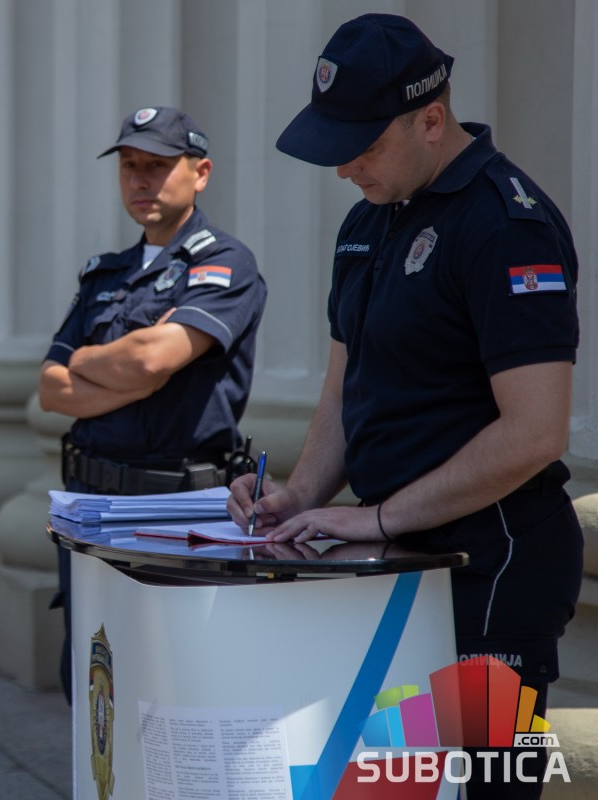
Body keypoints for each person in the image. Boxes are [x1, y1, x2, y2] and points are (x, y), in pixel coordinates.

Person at [229, 14, 583, 797]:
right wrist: (299, 495)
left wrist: (380, 517)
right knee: (391, 789)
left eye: (362, 145)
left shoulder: (505, 224)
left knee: (481, 789)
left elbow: (535, 432)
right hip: (399, 565)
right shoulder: (368, 220)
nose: (343, 168)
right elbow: (345, 389)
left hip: (490, 567)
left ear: (430, 119)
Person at [40, 106, 267, 701]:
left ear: (201, 173)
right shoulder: (103, 275)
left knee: (173, 684)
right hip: (92, 504)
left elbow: (150, 359)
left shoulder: (224, 263)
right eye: (130, 166)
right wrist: (130, 371)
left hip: (177, 508)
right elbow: (50, 388)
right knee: (92, 685)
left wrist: (94, 361)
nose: (140, 180)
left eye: (158, 166)